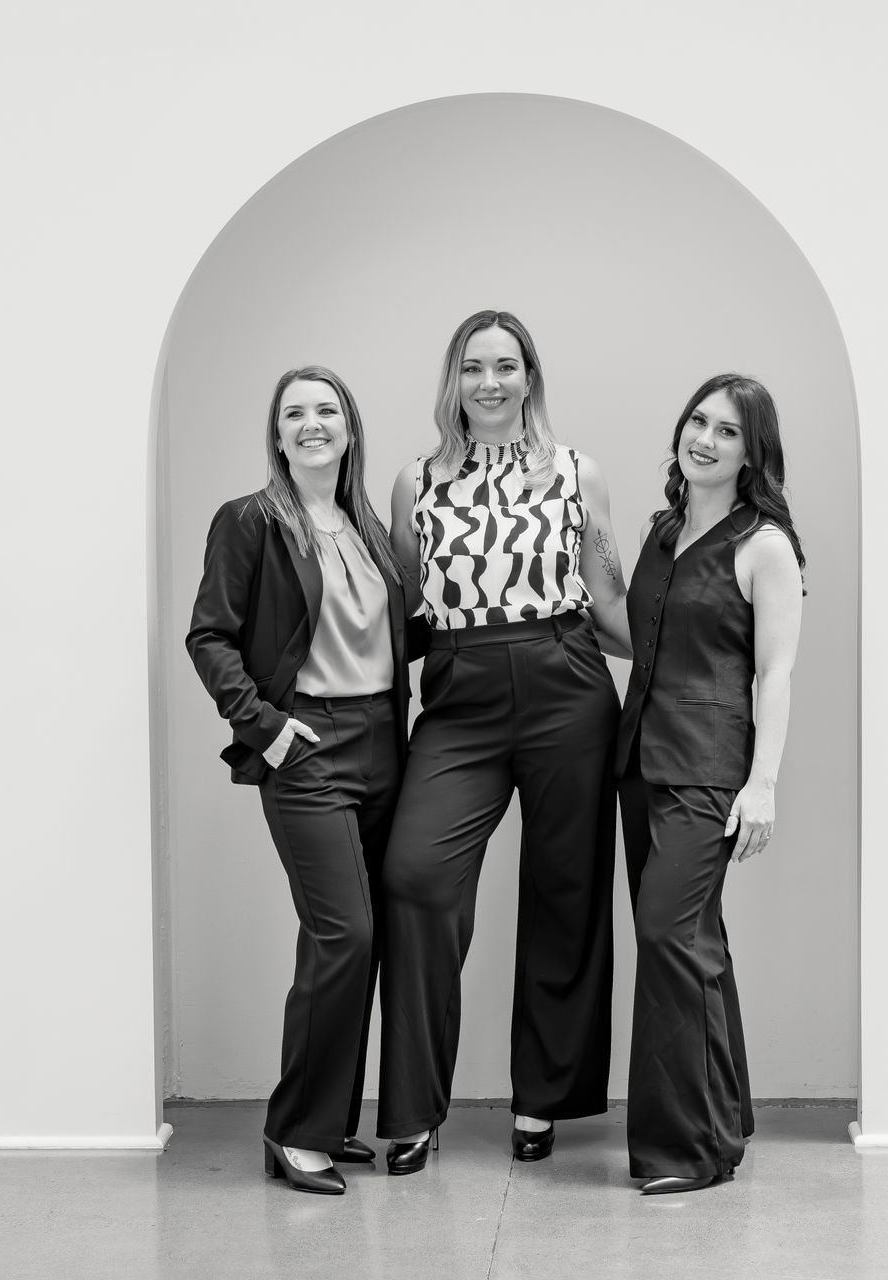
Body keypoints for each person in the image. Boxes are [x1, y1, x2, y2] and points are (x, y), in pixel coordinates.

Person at [377, 310, 632, 1174]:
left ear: (531, 377)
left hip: (567, 677)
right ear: (454, 379)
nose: (490, 382)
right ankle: (411, 1109)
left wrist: (709, 628)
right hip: (459, 691)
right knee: (415, 876)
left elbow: (612, 606)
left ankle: (542, 1099)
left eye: (507, 366)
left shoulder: (576, 473)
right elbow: (402, 610)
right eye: (474, 367)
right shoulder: (415, 482)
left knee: (566, 893)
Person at [185, 366, 413, 1196]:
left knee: (370, 939)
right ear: (278, 436)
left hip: (386, 744)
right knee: (340, 935)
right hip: (308, 743)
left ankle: (331, 1120)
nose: (312, 424)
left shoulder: (369, 528)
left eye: (327, 411)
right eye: (295, 414)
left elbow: (393, 636)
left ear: (350, 428)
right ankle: (293, 1132)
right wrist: (268, 729)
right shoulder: (251, 521)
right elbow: (209, 636)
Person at [614, 373, 805, 1195]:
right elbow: (636, 636)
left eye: (728, 431)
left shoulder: (763, 544)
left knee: (666, 938)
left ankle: (685, 1150)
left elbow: (777, 672)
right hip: (639, 762)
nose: (706, 439)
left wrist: (763, 783)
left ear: (751, 452)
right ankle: (728, 1112)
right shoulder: (663, 532)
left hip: (710, 770)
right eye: (699, 421)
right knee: (696, 945)